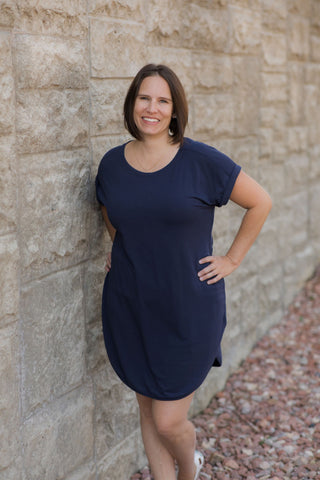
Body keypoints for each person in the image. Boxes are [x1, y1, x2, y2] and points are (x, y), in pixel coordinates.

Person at [95, 64, 272, 480]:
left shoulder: (200, 161)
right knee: (146, 405)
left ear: (174, 110)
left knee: (168, 420)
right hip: (131, 302)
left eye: (162, 100)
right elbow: (112, 212)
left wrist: (231, 259)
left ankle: (189, 468)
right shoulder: (111, 165)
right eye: (144, 98)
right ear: (132, 103)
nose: (151, 108)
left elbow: (260, 201)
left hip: (189, 308)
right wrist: (119, 246)